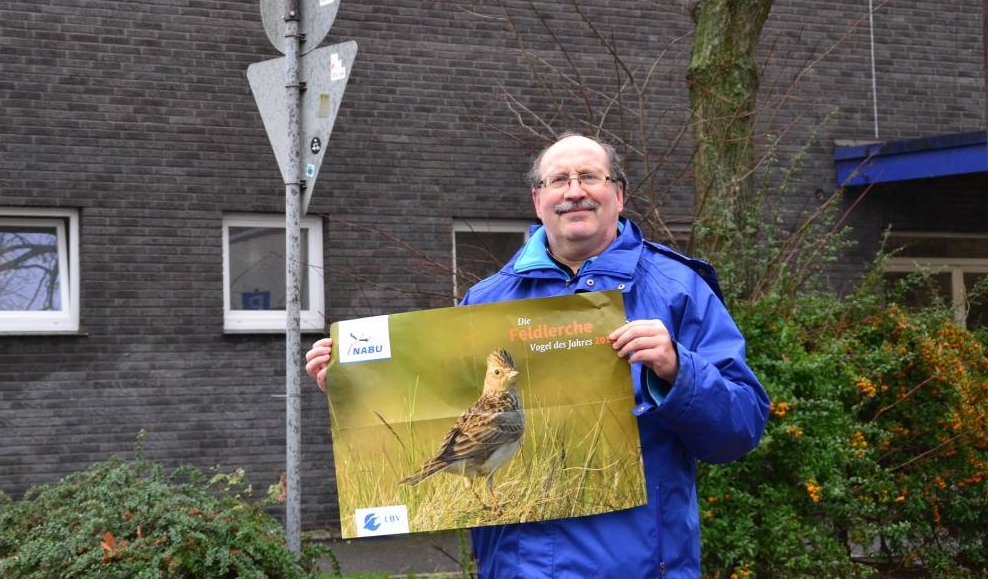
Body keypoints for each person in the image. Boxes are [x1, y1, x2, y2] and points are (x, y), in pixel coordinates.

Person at [306, 133, 769, 578]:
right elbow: (439, 396)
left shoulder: (678, 290)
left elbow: (740, 429)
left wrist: (677, 368)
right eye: (558, 180)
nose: (575, 192)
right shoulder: (487, 301)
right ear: (537, 200)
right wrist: (352, 383)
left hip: (641, 566)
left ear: (619, 194)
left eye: (590, 177)